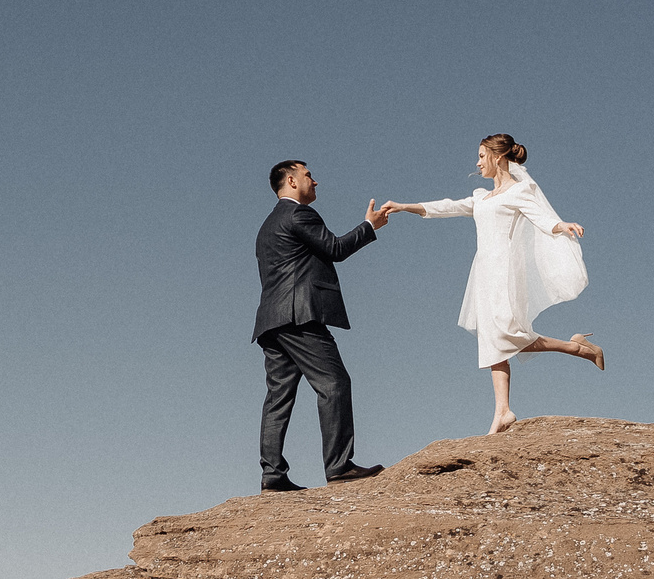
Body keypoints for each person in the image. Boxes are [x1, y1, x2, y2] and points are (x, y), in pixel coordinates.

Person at [380, 134, 602, 434]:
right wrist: (405, 206)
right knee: (493, 337)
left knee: (507, 333)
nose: (477, 162)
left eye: (482, 156)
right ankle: (503, 409)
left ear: (497, 157)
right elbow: (449, 206)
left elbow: (543, 217)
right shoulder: (482, 197)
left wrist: (563, 225)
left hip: (506, 271)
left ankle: (575, 349)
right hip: (483, 272)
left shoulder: (520, 191)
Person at [252, 161, 391, 492]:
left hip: (271, 322)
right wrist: (369, 226)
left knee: (278, 397)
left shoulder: (266, 227)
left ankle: (272, 474)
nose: (315, 180)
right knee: (334, 383)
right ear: (291, 180)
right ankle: (339, 466)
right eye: (308, 175)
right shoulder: (299, 214)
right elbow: (335, 249)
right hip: (300, 317)